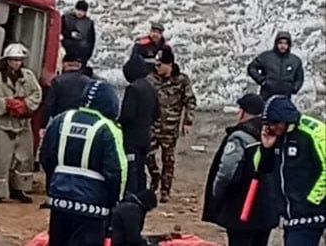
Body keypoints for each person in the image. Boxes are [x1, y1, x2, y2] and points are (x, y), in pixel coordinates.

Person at [41, 80, 127, 246]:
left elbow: (46, 156)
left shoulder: (61, 120)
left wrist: (53, 185)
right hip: (93, 205)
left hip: (60, 199)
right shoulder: (107, 128)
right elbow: (117, 170)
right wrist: (115, 201)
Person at [201, 93, 280, 246]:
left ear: (243, 112)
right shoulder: (274, 134)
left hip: (242, 208)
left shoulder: (240, 136)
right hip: (268, 208)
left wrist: (217, 195)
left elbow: (226, 172)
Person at [257, 96, 326, 245]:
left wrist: (313, 200)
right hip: (290, 217)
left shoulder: (314, 132)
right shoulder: (275, 136)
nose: (272, 127)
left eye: (275, 123)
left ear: (286, 119)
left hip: (311, 213)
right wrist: (266, 148)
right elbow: (259, 169)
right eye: (268, 124)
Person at [0, 43, 42, 204]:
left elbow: (36, 93)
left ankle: (20, 189)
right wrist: (7, 104)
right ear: (7, 61)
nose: (17, 63)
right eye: (14, 60)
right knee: (2, 159)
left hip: (23, 124)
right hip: (4, 124)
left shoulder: (28, 76)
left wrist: (25, 105)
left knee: (25, 159)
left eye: (19, 60)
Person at [146, 47, 196, 203]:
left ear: (169, 65)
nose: (157, 67)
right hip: (153, 125)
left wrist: (187, 121)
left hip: (170, 127)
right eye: (156, 64)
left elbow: (190, 101)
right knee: (148, 155)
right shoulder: (151, 80)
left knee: (168, 160)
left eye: (160, 64)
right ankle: (155, 176)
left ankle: (165, 190)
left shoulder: (181, 80)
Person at [119, 55, 160, 194]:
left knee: (131, 169)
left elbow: (127, 115)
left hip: (131, 138)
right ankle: (141, 194)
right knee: (141, 168)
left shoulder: (133, 89)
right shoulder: (150, 87)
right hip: (145, 136)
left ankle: (131, 196)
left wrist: (118, 123)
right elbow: (157, 113)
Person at [247, 31, 304, 101]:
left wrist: (294, 88)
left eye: (286, 43)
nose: (283, 46)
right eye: (280, 43)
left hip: (285, 97)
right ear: (276, 43)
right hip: (267, 95)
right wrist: (261, 80)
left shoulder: (295, 60)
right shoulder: (266, 57)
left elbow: (299, 78)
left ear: (289, 45)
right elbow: (252, 67)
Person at [42, 53, 92, 125]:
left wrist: (43, 125)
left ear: (65, 64)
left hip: (61, 121)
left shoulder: (58, 81)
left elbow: (49, 105)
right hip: (81, 123)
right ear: (79, 66)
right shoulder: (89, 82)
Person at [61, 0, 96, 69]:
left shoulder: (89, 23)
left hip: (80, 55)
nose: (80, 13)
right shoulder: (66, 18)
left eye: (82, 11)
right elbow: (60, 32)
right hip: (66, 52)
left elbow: (91, 41)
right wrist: (70, 34)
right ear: (75, 9)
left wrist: (87, 56)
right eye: (78, 10)